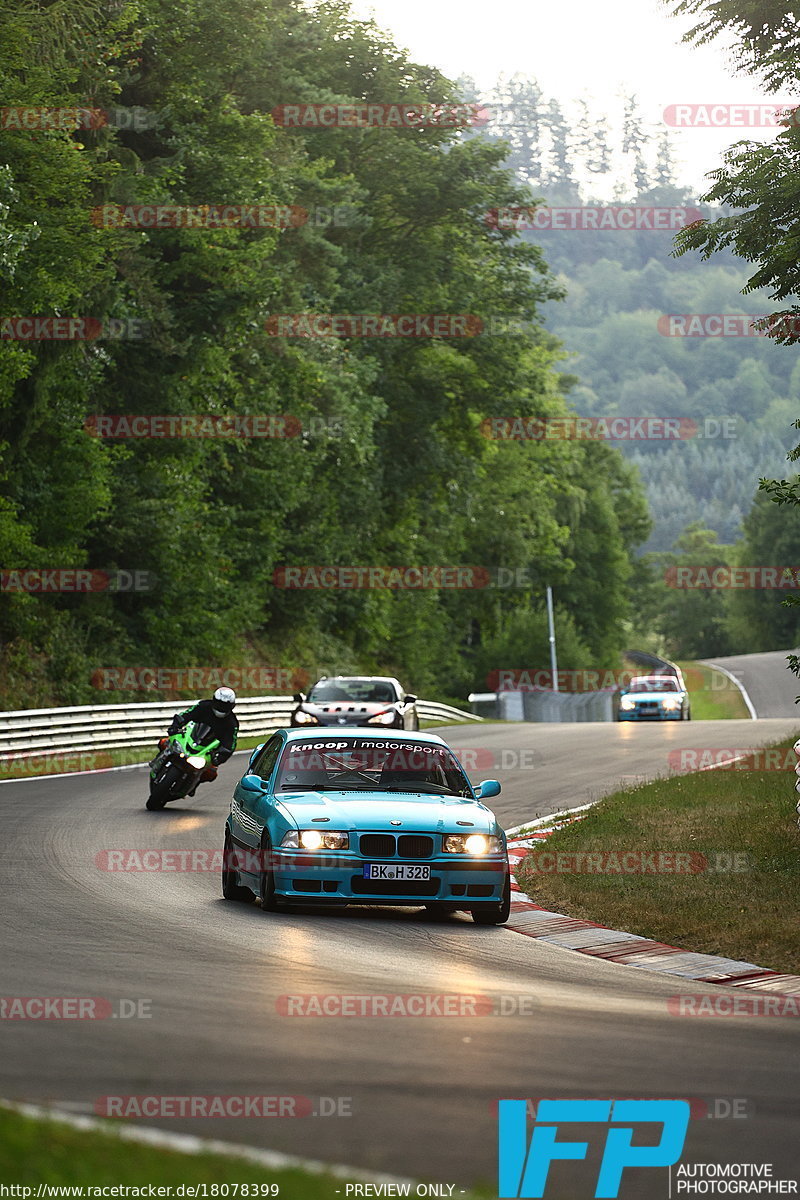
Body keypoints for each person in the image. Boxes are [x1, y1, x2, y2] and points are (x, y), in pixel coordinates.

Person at [166, 686, 239, 795]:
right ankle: (160, 760)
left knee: (211, 773)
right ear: (214, 701)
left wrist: (219, 757)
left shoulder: (232, 723)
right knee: (164, 742)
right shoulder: (203, 706)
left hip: (207, 750)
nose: (221, 708)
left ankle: (194, 783)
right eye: (219, 704)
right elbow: (185, 715)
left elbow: (230, 745)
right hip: (191, 738)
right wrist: (175, 726)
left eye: (225, 706)